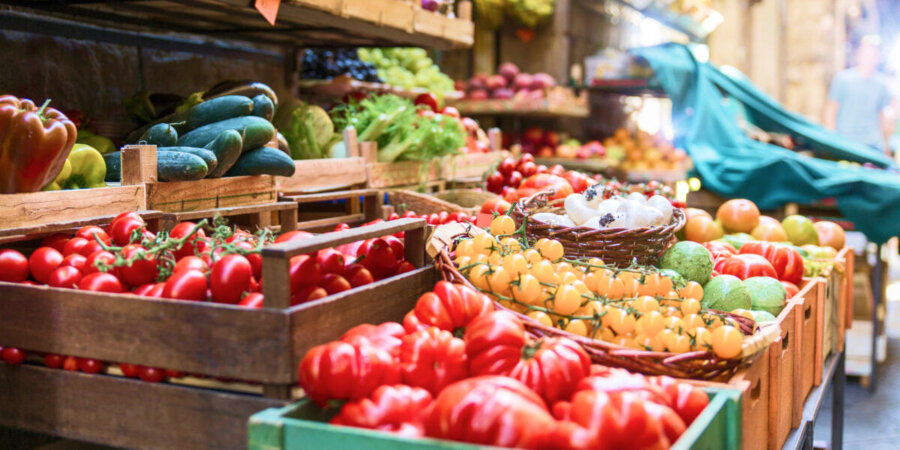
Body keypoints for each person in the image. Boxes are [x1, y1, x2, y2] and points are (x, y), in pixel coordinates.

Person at [824, 35, 895, 157]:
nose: (869, 57)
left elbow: (882, 116)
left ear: (878, 57)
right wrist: (832, 140)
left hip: (872, 144)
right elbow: (831, 111)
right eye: (866, 53)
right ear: (859, 54)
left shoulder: (882, 84)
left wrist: (886, 144)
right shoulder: (843, 79)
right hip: (846, 142)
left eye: (873, 54)